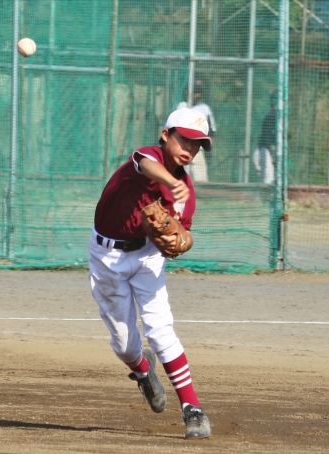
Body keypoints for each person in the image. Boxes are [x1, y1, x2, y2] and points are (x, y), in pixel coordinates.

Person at [88, 107, 212, 439]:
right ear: (165, 135)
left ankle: (193, 410)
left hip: (146, 256)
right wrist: (170, 182)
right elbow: (145, 165)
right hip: (106, 256)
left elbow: (184, 233)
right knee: (125, 345)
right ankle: (143, 370)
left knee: (160, 329)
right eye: (184, 139)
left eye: (197, 144)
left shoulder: (185, 193)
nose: (190, 148)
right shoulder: (148, 158)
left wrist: (182, 241)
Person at [177, 79, 216, 183]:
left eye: (200, 91)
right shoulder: (180, 106)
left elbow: (211, 130)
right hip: (181, 150)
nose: (198, 94)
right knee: (181, 181)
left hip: (198, 150)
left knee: (201, 181)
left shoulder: (204, 108)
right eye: (195, 91)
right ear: (187, 91)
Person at [252, 91, 279, 185]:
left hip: (264, 152)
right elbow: (267, 137)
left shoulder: (276, 115)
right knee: (267, 182)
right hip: (264, 152)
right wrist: (273, 153)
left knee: (267, 182)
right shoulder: (273, 116)